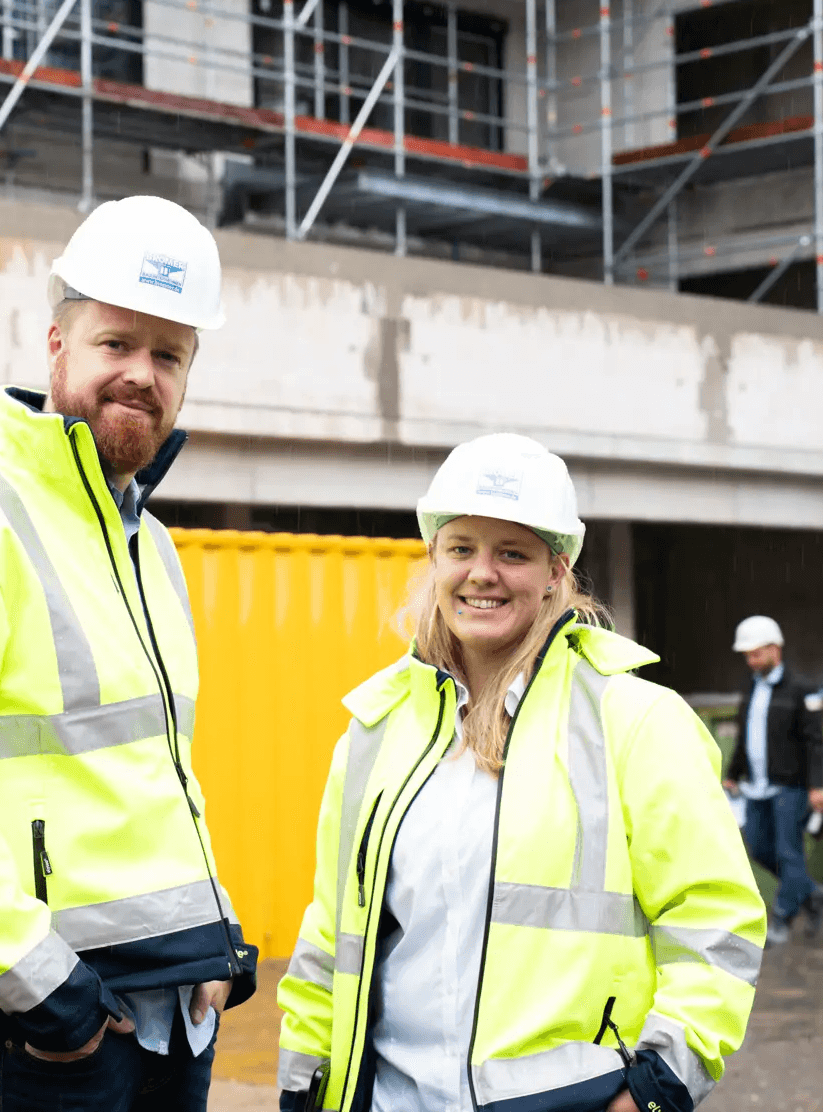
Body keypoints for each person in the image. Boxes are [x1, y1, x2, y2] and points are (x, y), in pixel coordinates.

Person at [0, 195, 257, 1112]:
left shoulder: (149, 544)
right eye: (117, 344)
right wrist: (53, 1002)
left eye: (169, 355)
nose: (142, 375)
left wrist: (212, 932)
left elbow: (154, 773)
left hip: (173, 1012)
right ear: (56, 345)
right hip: (45, 1036)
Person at [276, 434, 765, 1112]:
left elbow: (715, 923)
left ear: (554, 572)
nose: (482, 573)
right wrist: (304, 1081)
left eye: (512, 553)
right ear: (433, 559)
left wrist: (657, 1087)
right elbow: (333, 934)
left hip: (568, 1097)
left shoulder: (634, 718)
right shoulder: (376, 728)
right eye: (462, 549)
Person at [722, 616, 823, 947]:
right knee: (759, 847)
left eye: (756, 654)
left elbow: (815, 742)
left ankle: (782, 919)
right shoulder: (750, 687)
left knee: (789, 853)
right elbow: (745, 738)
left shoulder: (803, 690)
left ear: (775, 649)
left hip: (792, 786)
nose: (751, 661)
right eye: (747, 655)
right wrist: (732, 774)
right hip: (756, 786)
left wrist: (818, 785)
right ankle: (813, 895)